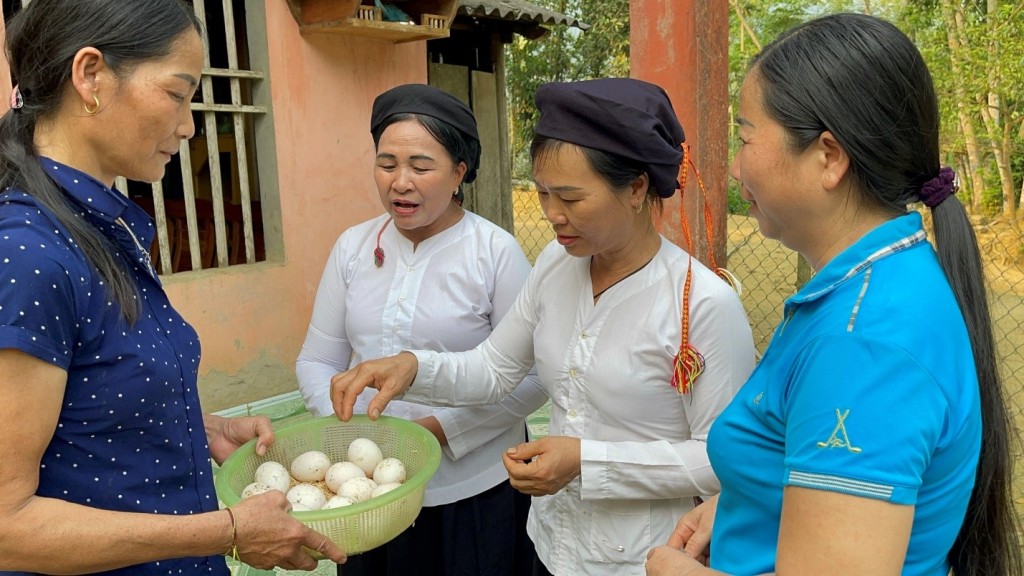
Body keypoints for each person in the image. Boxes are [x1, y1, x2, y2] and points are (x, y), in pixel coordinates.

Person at [329, 78, 756, 576]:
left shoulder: (702, 304)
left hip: (646, 557)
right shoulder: (558, 264)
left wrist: (584, 462)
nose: (552, 215)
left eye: (571, 199)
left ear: (637, 187)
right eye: (543, 193)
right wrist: (412, 367)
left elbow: (720, 459)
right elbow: (493, 369)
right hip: (551, 543)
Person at [645, 13, 1022, 576]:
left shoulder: (863, 343)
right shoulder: (878, 284)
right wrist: (757, 497)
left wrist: (671, 571)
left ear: (829, 156)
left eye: (746, 137)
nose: (736, 164)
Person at [0, 1, 347, 574]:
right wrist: (230, 530)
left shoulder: (98, 226)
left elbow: (82, 407)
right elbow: (8, 524)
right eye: (178, 93)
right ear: (90, 75)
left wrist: (193, 425)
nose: (188, 125)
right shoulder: (28, 253)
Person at [296, 83, 547, 576]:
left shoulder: (494, 253)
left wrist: (433, 432)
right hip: (368, 496)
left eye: (420, 166)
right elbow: (317, 360)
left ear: (459, 173)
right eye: (386, 164)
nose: (400, 182)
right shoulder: (353, 247)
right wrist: (353, 442)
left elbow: (534, 378)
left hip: (470, 488)